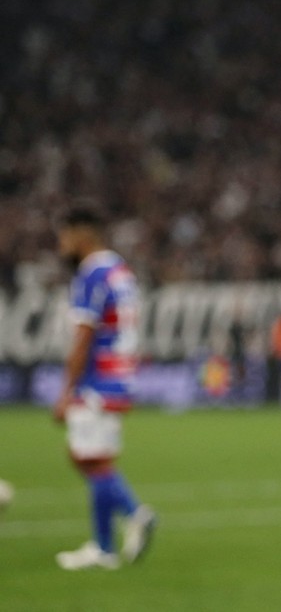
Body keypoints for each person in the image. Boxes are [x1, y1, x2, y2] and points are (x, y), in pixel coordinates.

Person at [53, 202, 156, 571]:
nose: (60, 244)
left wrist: (66, 390)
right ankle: (104, 548)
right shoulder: (120, 271)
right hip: (120, 375)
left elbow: (83, 337)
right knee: (93, 458)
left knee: (89, 459)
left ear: (82, 234)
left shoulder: (92, 274)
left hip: (97, 379)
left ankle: (134, 514)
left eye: (64, 235)